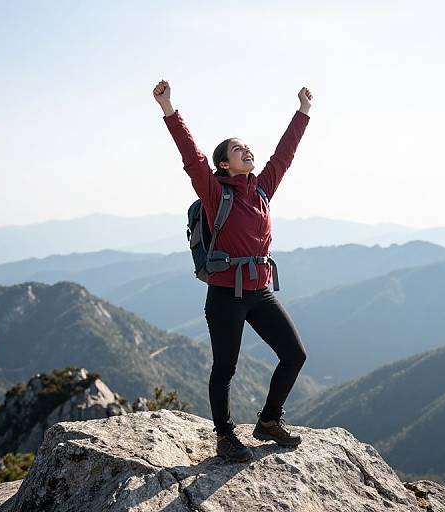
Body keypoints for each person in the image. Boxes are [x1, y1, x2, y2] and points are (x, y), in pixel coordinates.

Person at [153, 79, 312, 462]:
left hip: (260, 291)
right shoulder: (214, 191)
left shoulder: (261, 189)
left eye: (246, 147)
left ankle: (268, 421)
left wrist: (303, 112)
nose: (247, 150)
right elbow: (191, 157)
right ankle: (225, 436)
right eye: (237, 148)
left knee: (295, 355)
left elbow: (284, 155)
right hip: (226, 294)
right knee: (225, 367)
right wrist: (169, 109)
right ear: (224, 163)